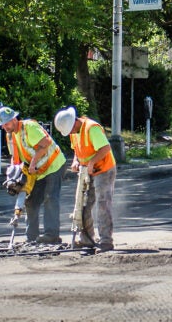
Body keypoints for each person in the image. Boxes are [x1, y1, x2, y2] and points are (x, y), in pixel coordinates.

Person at [0, 106, 67, 244]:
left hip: (54, 166)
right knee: (31, 201)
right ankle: (31, 237)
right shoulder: (10, 135)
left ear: (14, 119)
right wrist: (14, 175)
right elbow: (15, 157)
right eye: (3, 124)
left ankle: (51, 236)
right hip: (37, 172)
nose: (5, 126)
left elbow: (45, 144)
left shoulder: (29, 127)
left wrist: (33, 163)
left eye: (7, 123)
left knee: (50, 198)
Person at [54, 106, 116, 253]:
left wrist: (92, 162)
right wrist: (76, 161)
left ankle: (106, 241)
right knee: (84, 205)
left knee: (102, 204)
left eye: (70, 130)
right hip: (88, 171)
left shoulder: (91, 128)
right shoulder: (73, 132)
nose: (70, 133)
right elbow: (77, 149)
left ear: (74, 123)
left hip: (104, 170)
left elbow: (105, 148)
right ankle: (86, 240)